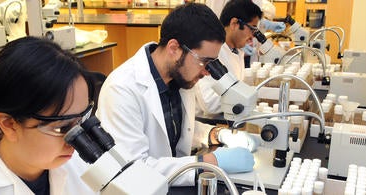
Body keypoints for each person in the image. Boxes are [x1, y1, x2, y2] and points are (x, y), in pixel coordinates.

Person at [94, 3, 258, 186]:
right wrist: (211, 162)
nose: (207, 72)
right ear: (174, 48)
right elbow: (133, 170)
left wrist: (216, 134)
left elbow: (177, 127)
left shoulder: (178, 77)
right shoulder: (122, 89)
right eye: (205, 62)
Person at [0, 37, 96, 195]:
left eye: (81, 120)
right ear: (9, 124)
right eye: (62, 127)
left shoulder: (75, 163)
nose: (77, 141)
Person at [195, 0, 263, 115]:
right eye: (252, 29)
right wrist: (246, 95)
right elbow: (209, 103)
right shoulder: (212, 53)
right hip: (208, 122)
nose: (252, 36)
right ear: (234, 23)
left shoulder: (236, 51)